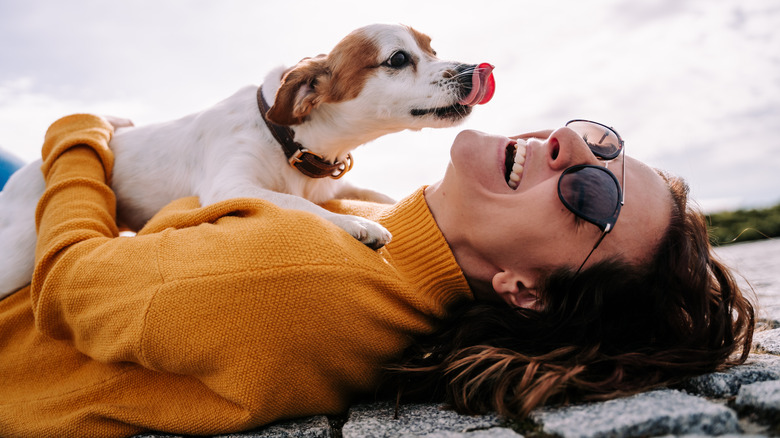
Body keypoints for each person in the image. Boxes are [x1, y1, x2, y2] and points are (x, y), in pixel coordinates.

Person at [0, 114, 753, 437]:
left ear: (524, 290)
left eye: (592, 196)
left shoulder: (298, 278)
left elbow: (73, 283)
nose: (565, 146)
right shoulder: (379, 233)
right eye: (599, 139)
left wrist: (79, 139)